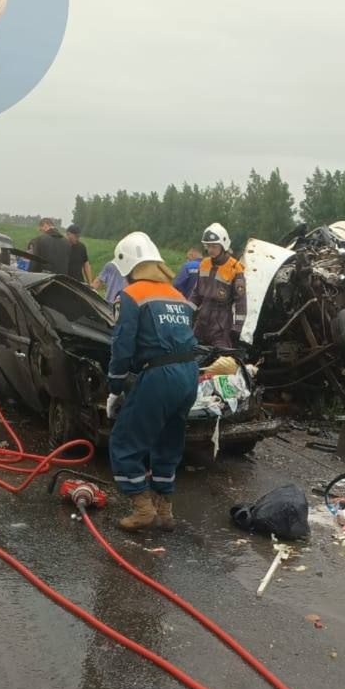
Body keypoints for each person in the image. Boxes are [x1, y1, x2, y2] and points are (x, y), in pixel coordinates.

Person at [107, 231, 199, 531]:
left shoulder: (132, 296)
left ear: (129, 266)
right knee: (168, 441)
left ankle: (142, 507)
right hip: (189, 374)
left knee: (124, 441)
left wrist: (115, 385)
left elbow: (122, 345)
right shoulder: (178, 297)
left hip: (159, 376)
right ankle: (164, 510)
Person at [191, 223, 246, 349]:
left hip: (221, 328)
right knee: (192, 356)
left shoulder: (235, 268)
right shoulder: (204, 264)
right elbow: (195, 295)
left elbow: (241, 303)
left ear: (224, 245)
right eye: (208, 246)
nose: (210, 250)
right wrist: (186, 313)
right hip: (200, 325)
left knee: (222, 362)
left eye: (214, 246)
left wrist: (237, 328)